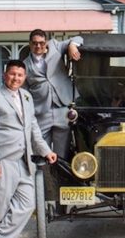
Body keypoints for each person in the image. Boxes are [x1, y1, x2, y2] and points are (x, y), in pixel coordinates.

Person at [0, 59, 57, 238]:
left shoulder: (27, 97)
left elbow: (33, 129)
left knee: (27, 203)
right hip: (2, 161)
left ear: (25, 78)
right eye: (12, 74)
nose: (16, 78)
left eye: (20, 75)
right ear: (5, 75)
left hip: (23, 161)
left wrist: (46, 151)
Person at [23, 29, 82, 159]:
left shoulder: (56, 46)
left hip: (63, 108)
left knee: (63, 153)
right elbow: (24, 92)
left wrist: (72, 45)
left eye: (41, 43)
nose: (38, 46)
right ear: (30, 44)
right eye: (35, 43)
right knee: (42, 151)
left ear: (46, 42)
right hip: (41, 111)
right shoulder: (25, 65)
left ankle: (60, 178)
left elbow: (79, 38)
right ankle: (44, 178)